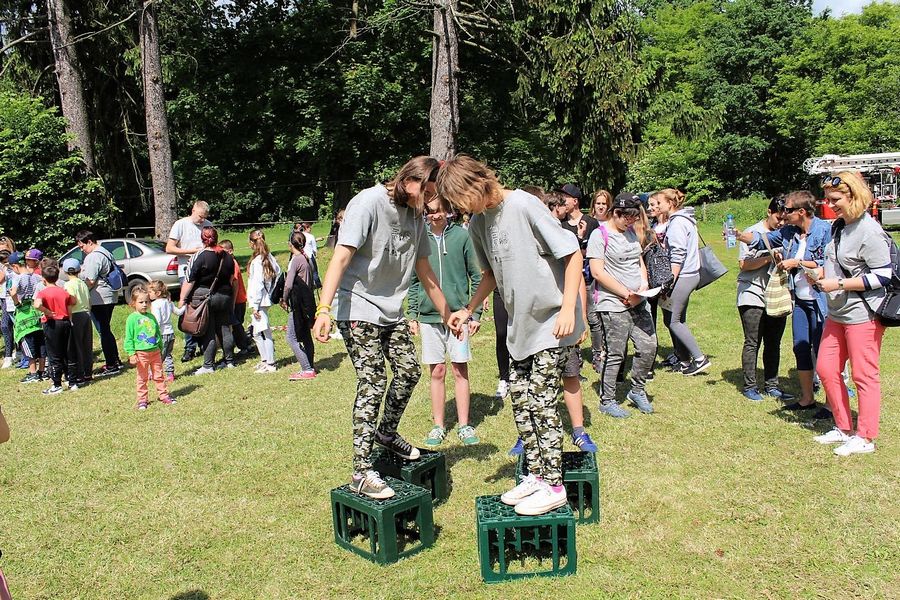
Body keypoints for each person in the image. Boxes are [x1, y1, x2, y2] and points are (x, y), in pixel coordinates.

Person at [439, 155, 584, 517]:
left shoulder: (523, 205)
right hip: (520, 328)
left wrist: (568, 308)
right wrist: (468, 309)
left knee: (542, 403)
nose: (461, 209)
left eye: (461, 199)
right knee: (520, 402)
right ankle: (535, 475)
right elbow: (489, 275)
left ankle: (554, 486)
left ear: (478, 182)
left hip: (552, 322)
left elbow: (572, 254)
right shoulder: (477, 223)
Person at [312, 156, 454, 501]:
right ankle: (361, 472)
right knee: (373, 380)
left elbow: (425, 272)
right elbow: (340, 258)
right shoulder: (369, 202)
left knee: (408, 371)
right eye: (427, 193)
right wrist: (324, 308)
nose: (430, 203)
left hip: (391, 312)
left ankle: (386, 434)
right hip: (357, 305)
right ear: (409, 180)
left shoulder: (416, 217)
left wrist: (448, 313)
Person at [810, 172, 892, 456]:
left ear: (854, 197)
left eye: (835, 200)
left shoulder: (869, 230)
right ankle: (843, 427)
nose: (830, 205)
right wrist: (820, 275)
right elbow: (837, 264)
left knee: (864, 375)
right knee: (826, 369)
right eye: (827, 199)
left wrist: (840, 284)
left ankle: (865, 437)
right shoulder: (839, 226)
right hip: (837, 313)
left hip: (863, 315)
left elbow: (884, 275)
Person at [738, 190, 831, 413]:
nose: (784, 214)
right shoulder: (789, 232)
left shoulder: (824, 230)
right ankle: (807, 399)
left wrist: (796, 263)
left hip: (819, 300)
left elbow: (828, 261)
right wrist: (739, 235)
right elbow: (762, 239)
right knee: (800, 348)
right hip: (800, 301)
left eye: (787, 210)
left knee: (823, 351)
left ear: (801, 211)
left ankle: (831, 403)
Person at [406, 194, 483, 447]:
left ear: (448, 211)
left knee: (460, 369)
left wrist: (474, 314)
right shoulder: (420, 239)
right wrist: (413, 314)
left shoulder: (462, 236)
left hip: (459, 316)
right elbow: (415, 281)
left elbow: (476, 276)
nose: (435, 215)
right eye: (429, 211)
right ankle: (438, 425)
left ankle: (464, 425)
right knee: (437, 371)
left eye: (439, 210)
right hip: (430, 317)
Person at [588, 193, 658, 418]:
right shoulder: (599, 235)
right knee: (616, 353)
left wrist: (643, 285)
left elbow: (639, 261)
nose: (631, 222)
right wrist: (626, 294)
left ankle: (637, 390)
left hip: (639, 300)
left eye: (634, 218)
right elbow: (597, 272)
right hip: (613, 304)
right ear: (615, 213)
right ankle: (607, 401)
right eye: (627, 218)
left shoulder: (630, 232)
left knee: (649, 346)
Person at [736, 198, 791, 402]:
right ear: (769, 212)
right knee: (753, 341)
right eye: (778, 218)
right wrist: (769, 258)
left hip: (777, 294)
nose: (781, 223)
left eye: (785, 220)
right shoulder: (753, 231)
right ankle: (750, 386)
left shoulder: (787, 234)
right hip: (753, 293)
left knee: (773, 342)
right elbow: (744, 264)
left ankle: (772, 386)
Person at [653, 189, 711, 375]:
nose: (656, 206)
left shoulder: (677, 223)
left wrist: (669, 281)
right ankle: (684, 360)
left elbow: (678, 255)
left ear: (670, 204)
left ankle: (699, 359)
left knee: (674, 321)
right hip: (688, 275)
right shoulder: (682, 220)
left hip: (683, 277)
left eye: (659, 203)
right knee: (673, 318)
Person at [178, 226, 236, 375]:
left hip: (205, 297)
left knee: (208, 331)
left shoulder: (199, 256)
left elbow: (189, 280)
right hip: (224, 295)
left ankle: (208, 365)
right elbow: (231, 278)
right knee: (224, 329)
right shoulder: (227, 256)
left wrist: (182, 299)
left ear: (202, 239)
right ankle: (229, 361)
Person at [166, 201, 213, 362]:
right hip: (186, 271)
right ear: (193, 210)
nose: (202, 220)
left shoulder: (208, 225)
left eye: (205, 217)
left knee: (205, 306)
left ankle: (205, 342)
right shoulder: (181, 224)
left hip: (205, 272)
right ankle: (190, 346)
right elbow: (169, 248)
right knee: (188, 307)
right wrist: (192, 252)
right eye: (200, 217)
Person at [75, 230, 122, 376]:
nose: (82, 250)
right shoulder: (105, 252)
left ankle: (111, 364)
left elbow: (90, 280)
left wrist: (80, 292)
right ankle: (116, 360)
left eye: (82, 246)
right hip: (110, 295)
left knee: (103, 331)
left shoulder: (93, 257)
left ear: (89, 242)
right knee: (106, 329)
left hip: (99, 298)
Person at [124, 288, 175, 410]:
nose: (144, 304)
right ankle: (142, 400)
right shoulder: (132, 319)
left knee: (159, 375)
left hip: (155, 352)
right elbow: (129, 338)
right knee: (142, 377)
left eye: (147, 302)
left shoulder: (151, 317)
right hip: (141, 353)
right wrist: (131, 353)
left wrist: (160, 347)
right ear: (133, 303)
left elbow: (157, 333)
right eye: (141, 302)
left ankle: (163, 395)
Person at [34, 264, 74, 394]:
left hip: (52, 323)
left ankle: (56, 384)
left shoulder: (43, 292)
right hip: (65, 321)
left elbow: (37, 304)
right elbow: (72, 303)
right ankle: (72, 381)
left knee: (54, 354)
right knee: (67, 352)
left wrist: (47, 311)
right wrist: (70, 320)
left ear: (43, 279)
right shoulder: (63, 291)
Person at [281, 231, 316, 380]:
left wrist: (283, 299)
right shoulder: (307, 258)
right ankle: (310, 365)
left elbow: (288, 284)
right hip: (308, 301)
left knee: (291, 337)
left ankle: (307, 369)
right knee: (306, 336)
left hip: (298, 302)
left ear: (290, 244)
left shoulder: (296, 260)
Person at [246, 229, 281, 374]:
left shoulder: (258, 261)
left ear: (251, 243)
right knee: (256, 332)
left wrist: (255, 305)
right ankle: (264, 359)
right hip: (264, 299)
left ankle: (270, 363)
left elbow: (258, 284)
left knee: (264, 332)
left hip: (260, 301)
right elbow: (278, 273)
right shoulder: (269, 257)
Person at [9, 251, 46, 383]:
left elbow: (13, 292)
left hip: (24, 314)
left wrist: (16, 303)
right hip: (36, 312)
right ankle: (42, 371)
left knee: (28, 344)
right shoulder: (36, 277)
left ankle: (33, 373)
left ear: (15, 266)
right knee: (40, 343)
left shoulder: (18, 278)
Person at [61, 258, 92, 386]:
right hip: (86, 314)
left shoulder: (68, 285)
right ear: (79, 270)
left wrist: (68, 318)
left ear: (64, 271)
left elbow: (71, 301)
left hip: (75, 314)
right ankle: (88, 372)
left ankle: (79, 374)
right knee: (86, 345)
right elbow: (88, 300)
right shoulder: (83, 283)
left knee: (76, 346)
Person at [219, 240, 253, 356]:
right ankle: (243, 344)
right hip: (237, 300)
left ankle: (244, 346)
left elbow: (235, 284)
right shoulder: (229, 263)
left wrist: (232, 303)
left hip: (238, 300)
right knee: (236, 324)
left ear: (230, 251)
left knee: (236, 324)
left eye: (223, 251)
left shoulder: (233, 264)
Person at [148, 280, 184, 382]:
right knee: (168, 354)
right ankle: (170, 374)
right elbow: (179, 312)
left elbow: (157, 321)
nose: (149, 294)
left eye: (150, 292)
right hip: (171, 333)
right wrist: (186, 306)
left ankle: (153, 373)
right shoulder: (169, 302)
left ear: (158, 293)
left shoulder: (155, 304)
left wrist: (153, 333)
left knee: (158, 356)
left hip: (162, 334)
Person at [556, 183, 599, 250]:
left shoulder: (591, 223)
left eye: (564, 198)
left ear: (575, 201)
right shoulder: (560, 223)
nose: (560, 201)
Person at [0, 250, 15, 369]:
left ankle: (11, 355)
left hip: (10, 298)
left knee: (8, 325)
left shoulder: (12, 269)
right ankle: (9, 355)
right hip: (3, 297)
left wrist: (4, 270)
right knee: (5, 326)